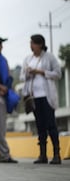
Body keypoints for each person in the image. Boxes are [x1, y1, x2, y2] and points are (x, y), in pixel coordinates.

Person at [20, 34, 62, 164]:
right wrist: (28, 72)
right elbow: (22, 77)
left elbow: (58, 73)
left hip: (47, 96)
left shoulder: (49, 57)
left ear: (40, 45)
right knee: (40, 125)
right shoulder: (28, 59)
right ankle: (42, 155)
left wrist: (41, 72)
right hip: (34, 97)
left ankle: (56, 154)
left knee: (51, 124)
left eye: (33, 43)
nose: (31, 45)